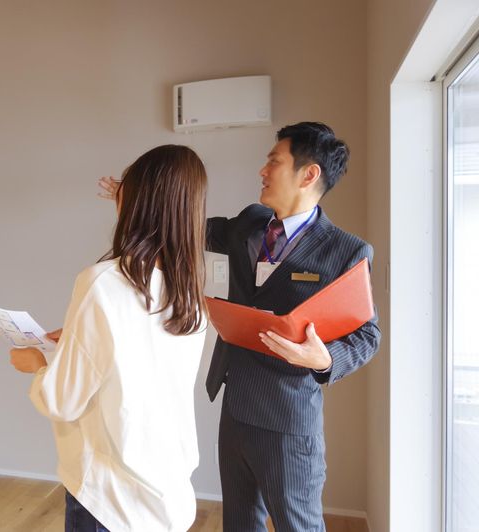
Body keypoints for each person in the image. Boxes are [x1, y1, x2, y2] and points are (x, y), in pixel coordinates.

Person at [99, 122, 381, 532]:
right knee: (239, 523)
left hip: (288, 418)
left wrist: (324, 359)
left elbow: (367, 336)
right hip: (235, 406)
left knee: (298, 526)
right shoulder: (250, 222)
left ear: (308, 174)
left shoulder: (346, 251)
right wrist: (137, 201)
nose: (262, 171)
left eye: (274, 161)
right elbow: (187, 227)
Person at [10, 144, 210, 532]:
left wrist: (37, 362)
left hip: (108, 496)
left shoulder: (102, 282)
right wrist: (79, 338)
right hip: (167, 491)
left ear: (137, 202)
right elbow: (138, 361)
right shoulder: (190, 296)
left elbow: (63, 400)